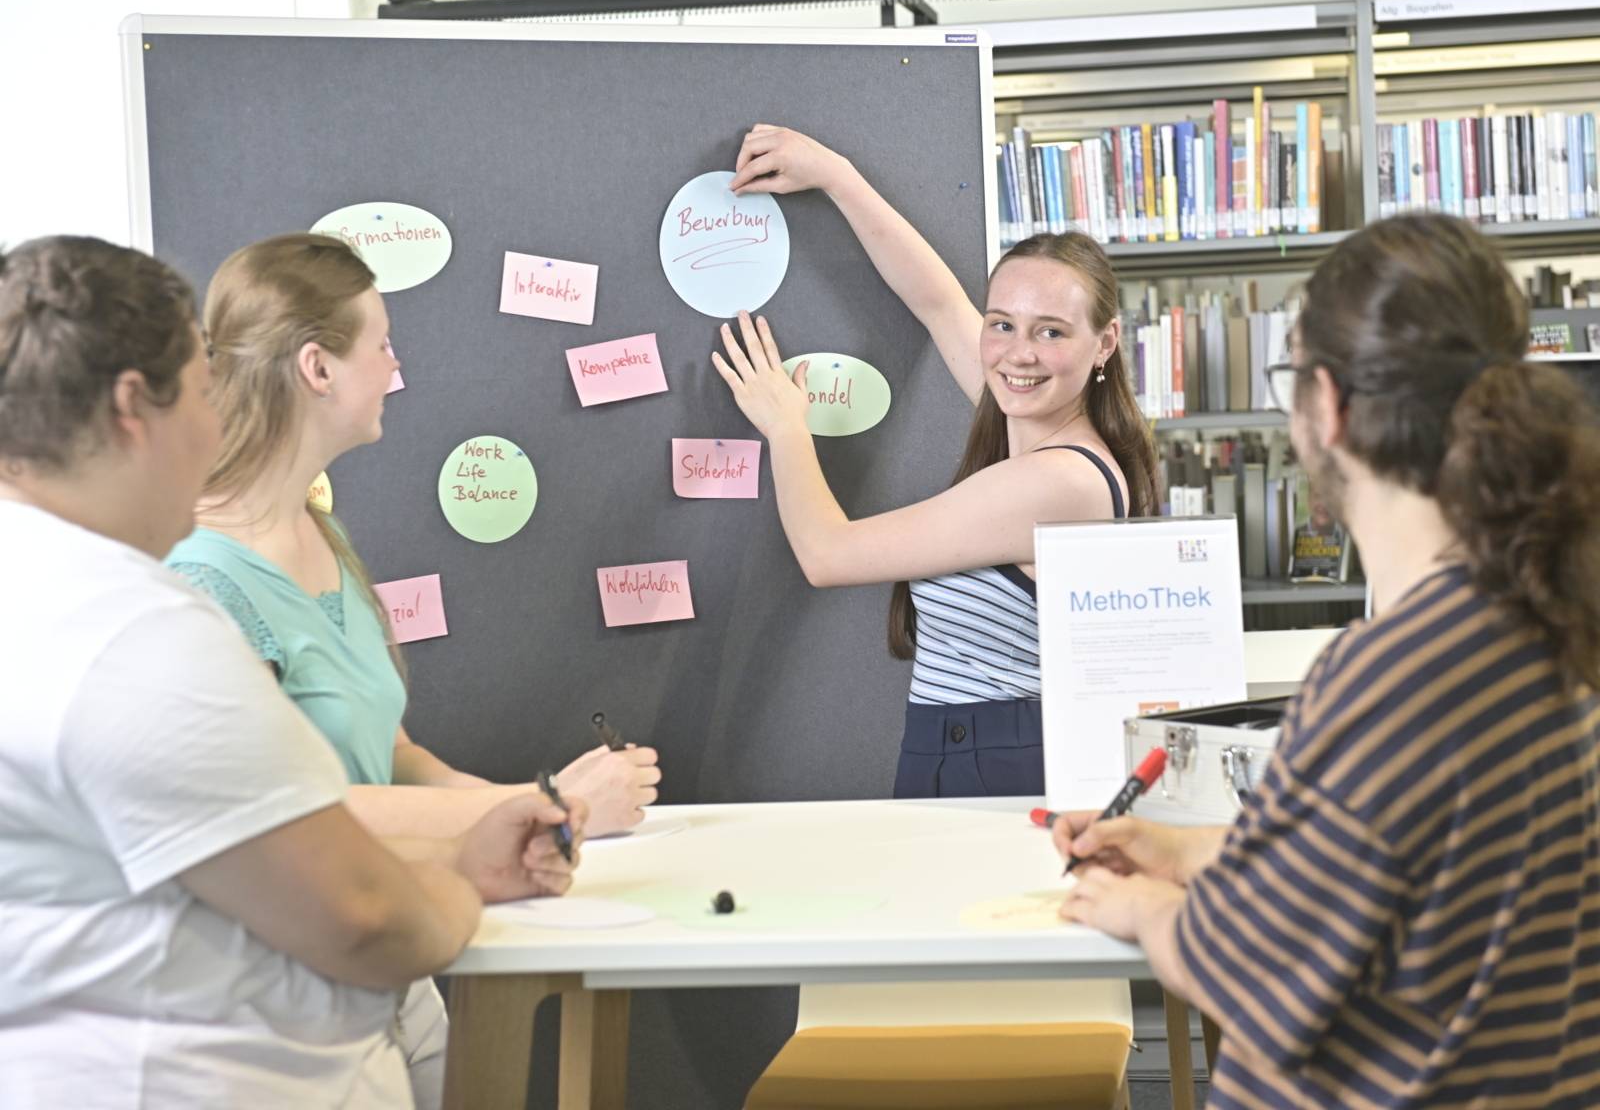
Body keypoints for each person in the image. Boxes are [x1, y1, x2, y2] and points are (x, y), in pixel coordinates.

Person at [0, 236, 582, 1108]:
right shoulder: (134, 632)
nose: (214, 429)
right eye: (200, 392)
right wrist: (458, 887)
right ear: (133, 408)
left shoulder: (49, 591)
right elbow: (367, 916)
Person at [1053, 214, 1600, 1107]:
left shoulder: (1392, 676)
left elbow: (1256, 971)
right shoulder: (1544, 614)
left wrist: (1148, 910)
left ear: (1328, 406)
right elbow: (1398, 866)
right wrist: (1184, 852)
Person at [163, 231, 659, 1107]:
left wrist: (533, 811)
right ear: (317, 367)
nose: (396, 363)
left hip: (392, 968)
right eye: (381, 341)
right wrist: (544, 802)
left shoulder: (320, 530)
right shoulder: (204, 578)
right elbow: (299, 812)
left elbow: (386, 749)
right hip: (287, 1007)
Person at [713, 125, 1158, 797]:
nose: (1019, 353)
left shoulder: (1059, 482)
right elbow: (935, 300)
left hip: (997, 763)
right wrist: (836, 175)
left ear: (1105, 345)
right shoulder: (1025, 417)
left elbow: (827, 555)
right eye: (1002, 323)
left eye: (1052, 332)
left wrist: (785, 426)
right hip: (964, 746)